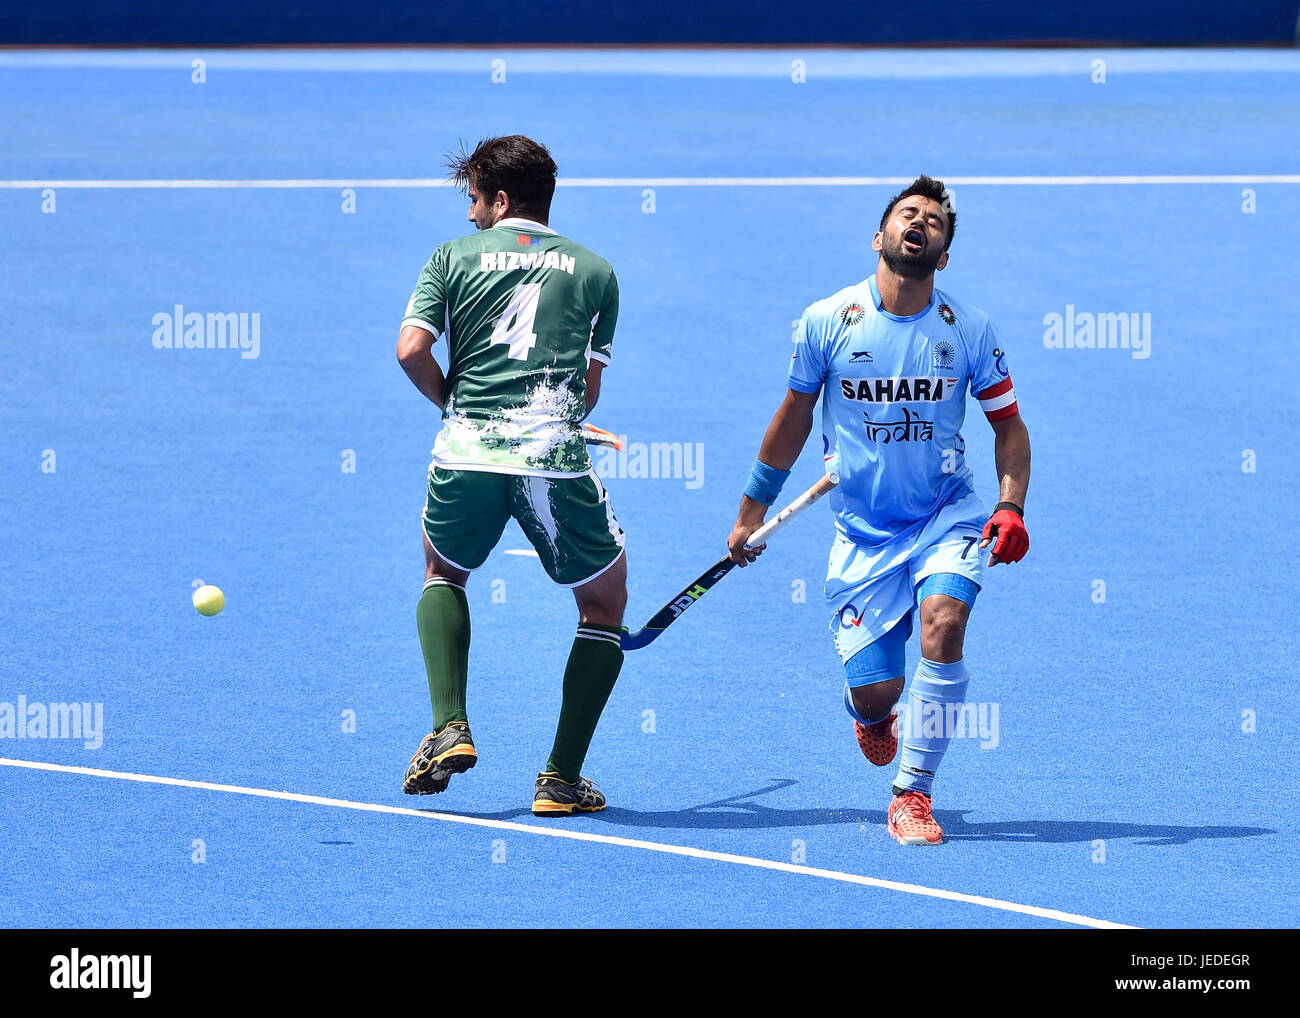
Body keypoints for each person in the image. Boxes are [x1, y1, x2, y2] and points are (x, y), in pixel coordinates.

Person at [727, 175, 1031, 845]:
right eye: (906, 214)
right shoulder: (826, 320)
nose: (919, 224)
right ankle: (869, 712)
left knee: (945, 626)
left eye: (934, 223)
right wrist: (752, 511)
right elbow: (793, 419)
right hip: (862, 535)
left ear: (943, 255)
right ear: (881, 236)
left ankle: (913, 795)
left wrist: (1009, 506)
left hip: (947, 514)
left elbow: (1009, 428)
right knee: (878, 692)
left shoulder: (969, 330)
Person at [395, 135, 626, 816]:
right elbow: (586, 389)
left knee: (444, 576)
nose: (469, 216)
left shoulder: (450, 257)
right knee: (603, 609)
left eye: (473, 199)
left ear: (500, 199)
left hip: (465, 451)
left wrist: (457, 406)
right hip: (551, 458)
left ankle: (449, 725)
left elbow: (410, 351)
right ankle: (559, 781)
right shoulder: (596, 271)